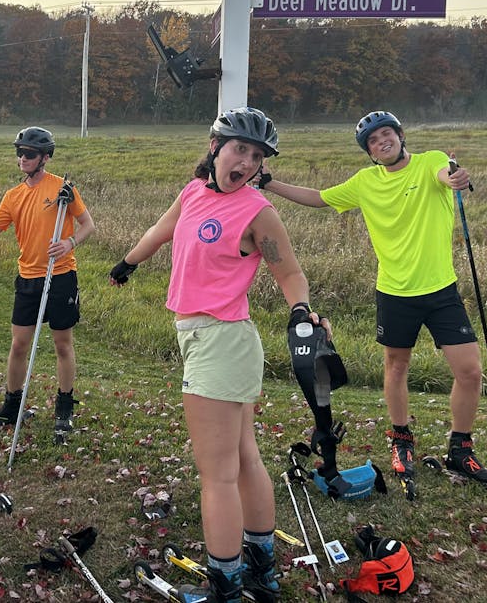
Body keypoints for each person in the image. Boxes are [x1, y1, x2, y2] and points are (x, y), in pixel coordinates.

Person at [109, 107, 324, 603]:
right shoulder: (192, 193)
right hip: (207, 338)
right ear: (215, 148)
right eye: (239, 150)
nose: (246, 161)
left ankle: (226, 586)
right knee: (244, 459)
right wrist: (128, 263)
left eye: (256, 156)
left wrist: (300, 309)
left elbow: (289, 272)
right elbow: (160, 230)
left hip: (222, 341)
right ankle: (260, 573)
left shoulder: (257, 211)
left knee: (218, 476)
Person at [260, 110, 487, 493]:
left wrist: (458, 177)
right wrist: (269, 184)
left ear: (400, 136)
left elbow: (448, 174)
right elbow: (319, 198)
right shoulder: (365, 182)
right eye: (372, 140)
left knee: (470, 371)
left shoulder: (430, 162)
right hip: (394, 292)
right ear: (369, 151)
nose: (381, 142)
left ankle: (460, 448)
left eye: (386, 134)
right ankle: (401, 440)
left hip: (441, 291)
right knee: (396, 366)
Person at [0, 126, 95, 440]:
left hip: (60, 276)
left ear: (44, 157)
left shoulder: (63, 188)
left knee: (62, 344)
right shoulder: (14, 196)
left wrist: (70, 242)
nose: (22, 159)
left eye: (28, 154)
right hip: (28, 278)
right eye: (19, 152)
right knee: (18, 345)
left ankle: (64, 408)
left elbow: (88, 225)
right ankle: (12, 405)